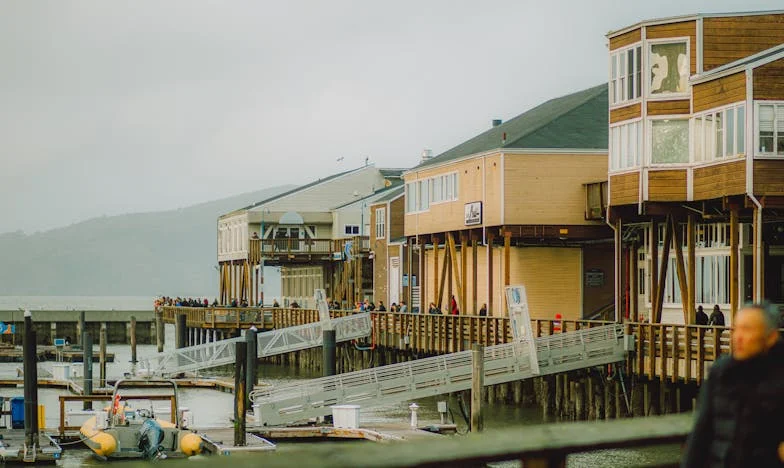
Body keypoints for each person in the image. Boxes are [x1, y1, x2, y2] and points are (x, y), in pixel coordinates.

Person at [681, 303, 784, 467]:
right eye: (736, 329)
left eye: (748, 329)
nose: (738, 337)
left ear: (771, 337)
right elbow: (700, 434)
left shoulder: (779, 378)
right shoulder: (720, 372)